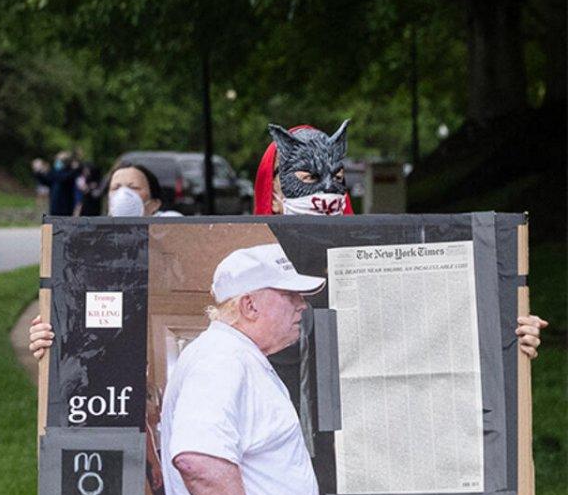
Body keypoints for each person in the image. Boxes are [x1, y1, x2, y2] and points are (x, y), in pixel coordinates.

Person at [29, 121, 547, 359]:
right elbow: (147, 320)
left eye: (335, 178)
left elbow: (424, 317)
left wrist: (506, 331)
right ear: (273, 191)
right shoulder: (244, 264)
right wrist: (63, 335)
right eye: (305, 177)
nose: (325, 191)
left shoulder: (373, 261)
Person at [157, 244, 325, 495]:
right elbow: (198, 460)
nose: (301, 306)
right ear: (249, 306)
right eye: (290, 296)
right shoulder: (222, 360)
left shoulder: (236, 356)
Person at [32, 150, 82, 216]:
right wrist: (38, 172)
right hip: (54, 207)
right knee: (51, 221)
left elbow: (64, 178)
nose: (57, 162)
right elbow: (46, 181)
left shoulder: (70, 173)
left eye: (59, 160)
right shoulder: (54, 172)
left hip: (66, 208)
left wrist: (75, 166)